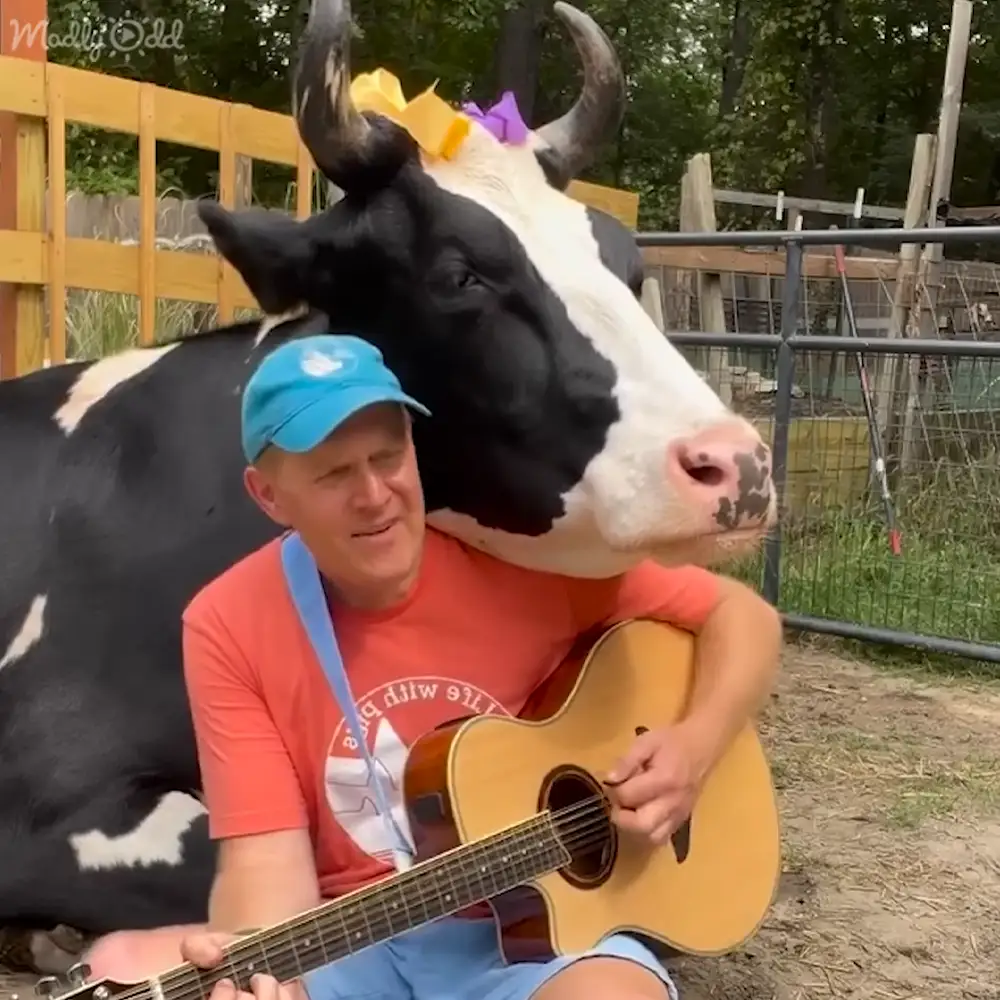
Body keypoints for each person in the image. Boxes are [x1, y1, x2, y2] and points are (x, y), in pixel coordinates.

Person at [85, 333, 783, 1000]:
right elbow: (265, 859)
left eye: (388, 457)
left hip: (549, 938)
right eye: (333, 474)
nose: (374, 494)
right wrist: (270, 977)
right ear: (268, 496)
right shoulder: (228, 622)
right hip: (354, 938)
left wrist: (695, 745)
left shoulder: (525, 562)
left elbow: (743, 619)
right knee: (154, 966)